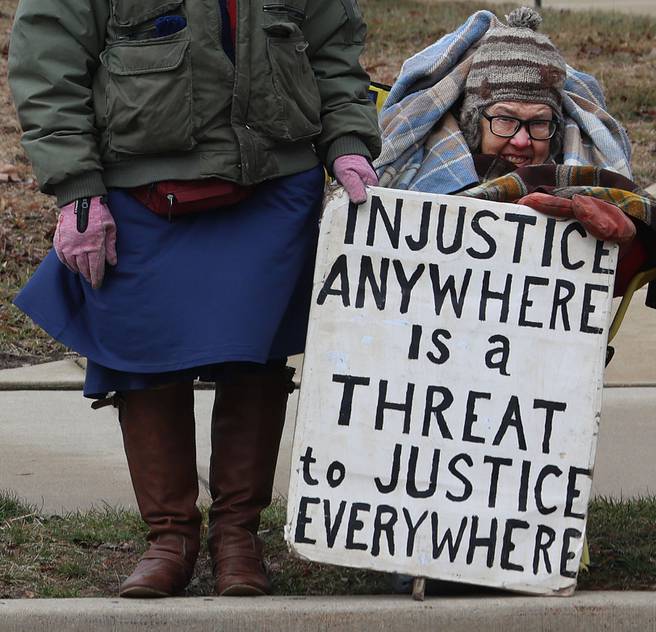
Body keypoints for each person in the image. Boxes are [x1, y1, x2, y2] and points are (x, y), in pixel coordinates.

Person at [8, 0, 380, 598]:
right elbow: (48, 63)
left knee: (255, 356)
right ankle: (169, 539)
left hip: (273, 181)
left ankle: (238, 538)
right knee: (140, 352)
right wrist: (76, 185)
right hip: (138, 183)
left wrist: (350, 140)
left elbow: (334, 52)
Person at [377, 7, 656, 316]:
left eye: (539, 122)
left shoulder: (582, 182)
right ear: (473, 120)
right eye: (504, 119)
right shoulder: (424, 174)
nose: (522, 139)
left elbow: (609, 286)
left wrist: (623, 245)